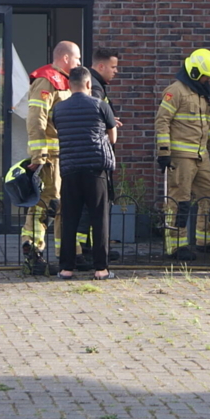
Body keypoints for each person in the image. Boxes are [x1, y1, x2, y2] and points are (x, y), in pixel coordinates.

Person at [155, 48, 210, 261]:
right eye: (205, 76)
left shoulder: (203, 93)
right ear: (194, 72)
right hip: (181, 157)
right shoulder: (175, 91)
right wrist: (164, 152)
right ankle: (176, 246)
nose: (207, 80)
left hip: (201, 155)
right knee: (179, 202)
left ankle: (206, 240)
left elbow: (207, 124)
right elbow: (162, 120)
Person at [21, 40, 81, 276]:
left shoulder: (63, 82)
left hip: (65, 155)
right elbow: (36, 120)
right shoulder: (47, 81)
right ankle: (33, 251)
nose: (79, 64)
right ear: (65, 58)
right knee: (48, 204)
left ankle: (66, 255)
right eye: (77, 59)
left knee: (63, 206)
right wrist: (39, 155)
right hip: (51, 157)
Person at [52, 66, 117, 280]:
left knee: (69, 219)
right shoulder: (100, 105)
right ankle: (101, 269)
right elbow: (113, 138)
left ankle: (66, 268)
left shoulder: (59, 109)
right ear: (89, 84)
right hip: (95, 169)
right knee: (99, 218)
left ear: (70, 85)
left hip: (70, 170)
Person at [76, 47, 122, 262]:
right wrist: (109, 124)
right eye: (113, 67)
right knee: (92, 206)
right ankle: (86, 251)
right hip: (95, 157)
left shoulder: (97, 86)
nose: (116, 71)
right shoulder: (95, 89)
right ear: (101, 66)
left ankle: (91, 247)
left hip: (90, 156)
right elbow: (92, 117)